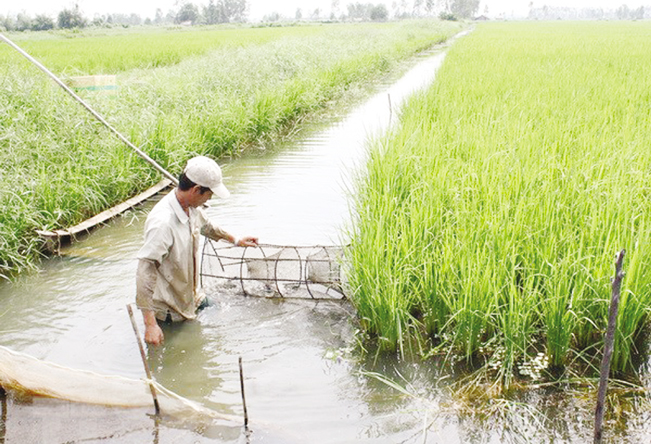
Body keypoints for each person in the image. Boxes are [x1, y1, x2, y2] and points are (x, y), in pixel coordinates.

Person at [136, 156, 258, 345]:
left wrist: (235, 240)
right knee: (177, 356)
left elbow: (207, 226)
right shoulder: (163, 223)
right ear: (196, 190)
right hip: (169, 309)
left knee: (218, 310)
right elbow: (145, 270)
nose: (210, 199)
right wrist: (150, 325)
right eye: (209, 194)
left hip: (191, 297)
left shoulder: (191, 207)